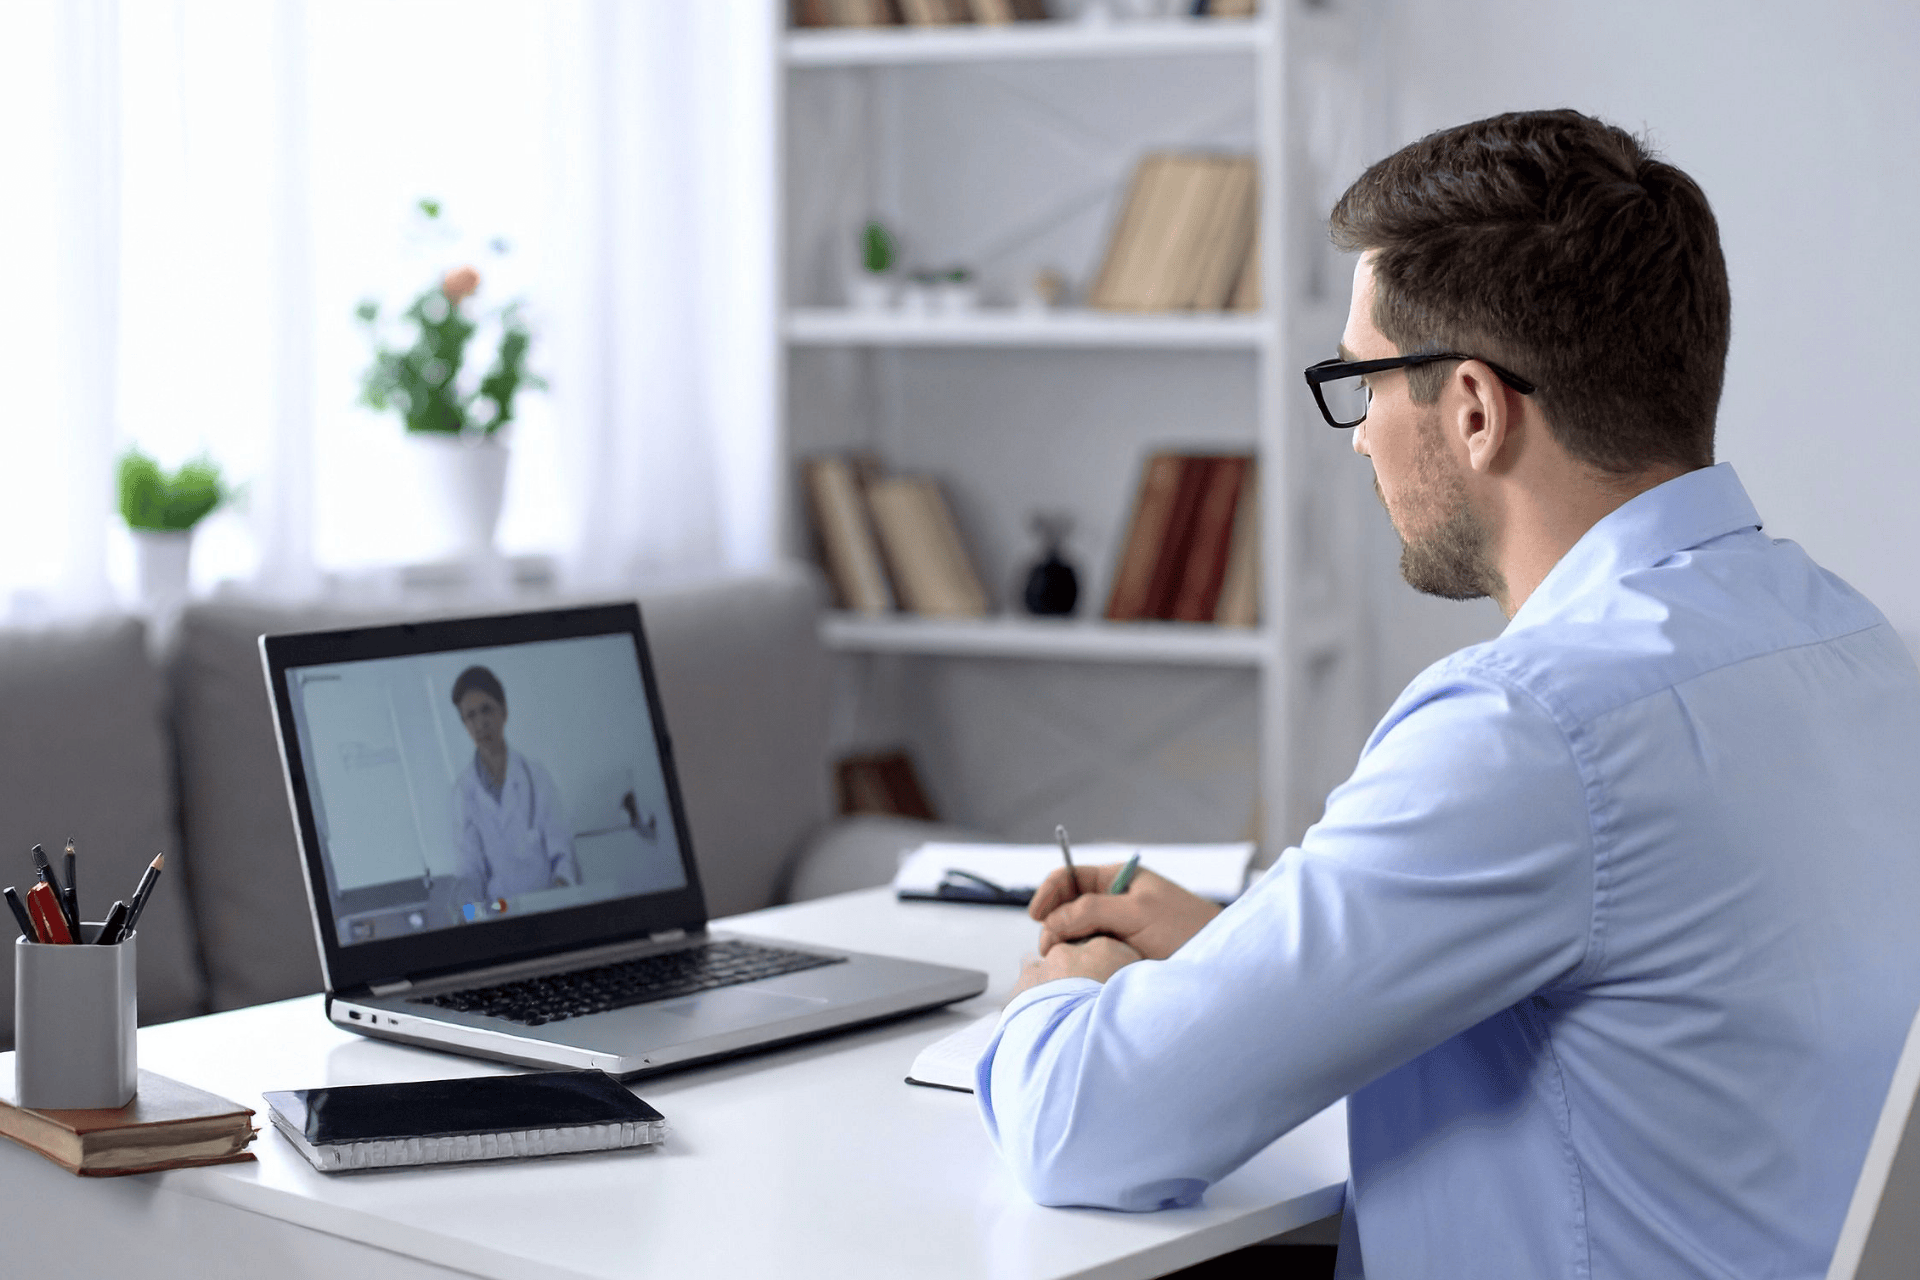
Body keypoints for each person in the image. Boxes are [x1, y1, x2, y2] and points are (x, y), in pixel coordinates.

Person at [975, 109, 1920, 1279]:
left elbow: (1084, 1123)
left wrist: (1065, 994)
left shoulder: (1533, 724)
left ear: (1475, 408)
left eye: (1361, 380)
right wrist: (1244, 953)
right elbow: (1627, 977)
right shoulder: (1853, 645)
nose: (1360, 438)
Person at [448, 665, 580, 903]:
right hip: (501, 913)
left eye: (486, 710)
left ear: (504, 711)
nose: (480, 724)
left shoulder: (537, 777)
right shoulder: (463, 793)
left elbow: (562, 853)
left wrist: (560, 899)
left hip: (547, 904)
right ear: (465, 725)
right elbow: (469, 873)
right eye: (470, 716)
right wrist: (472, 918)